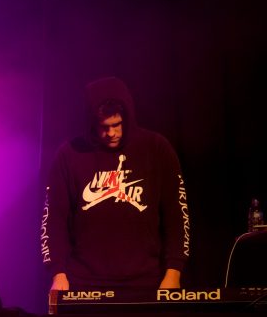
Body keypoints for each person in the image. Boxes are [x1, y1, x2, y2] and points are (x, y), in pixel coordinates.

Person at [41, 76, 189, 293]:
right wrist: (58, 273)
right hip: (83, 283)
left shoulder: (157, 148)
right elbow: (53, 219)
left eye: (116, 125)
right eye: (103, 127)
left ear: (127, 118)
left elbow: (178, 215)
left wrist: (174, 272)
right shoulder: (69, 154)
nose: (110, 133)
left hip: (148, 281)